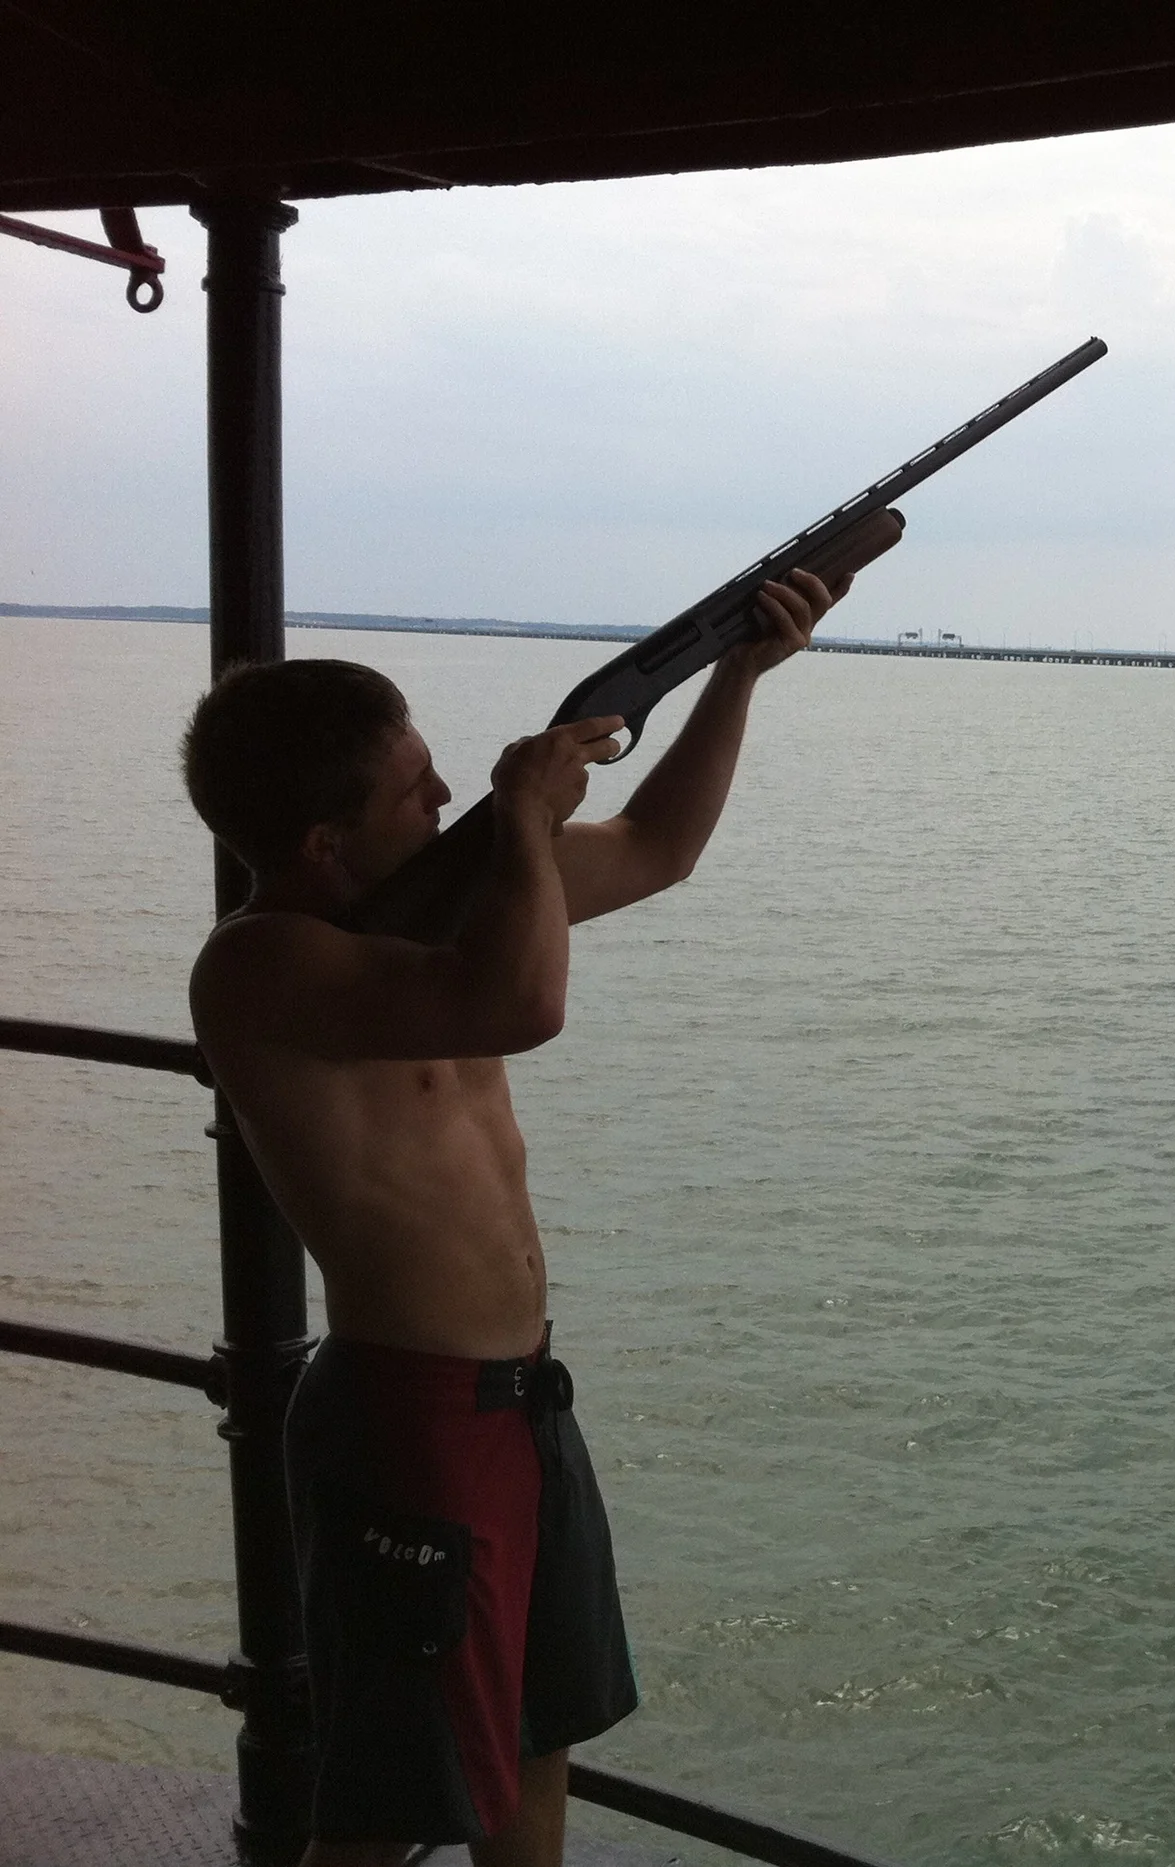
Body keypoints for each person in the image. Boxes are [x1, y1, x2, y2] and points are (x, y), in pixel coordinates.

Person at [184, 563, 860, 1867]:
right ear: (325, 846)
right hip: (411, 1423)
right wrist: (528, 816)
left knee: (534, 1753)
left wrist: (736, 673)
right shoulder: (263, 965)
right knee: (384, 1814)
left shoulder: (459, 900)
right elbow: (522, 1006)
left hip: (519, 1403)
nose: (447, 798)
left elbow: (661, 851)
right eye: (414, 788)